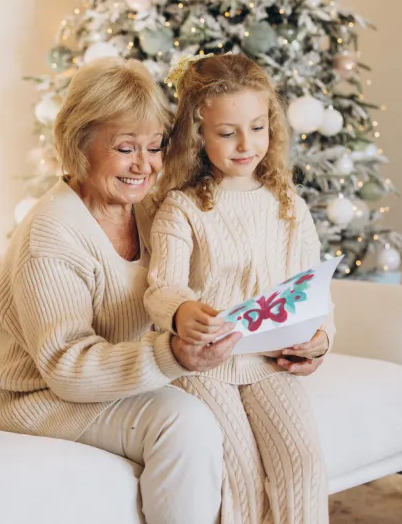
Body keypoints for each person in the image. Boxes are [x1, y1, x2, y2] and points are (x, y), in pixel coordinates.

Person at [0, 57, 242, 524]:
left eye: (154, 146)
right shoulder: (52, 233)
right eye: (124, 148)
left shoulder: (151, 210)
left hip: (114, 382)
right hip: (38, 397)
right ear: (80, 145)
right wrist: (172, 355)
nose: (144, 165)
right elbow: (67, 365)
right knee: (185, 422)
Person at [144, 53, 336, 524]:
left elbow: (315, 290)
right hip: (208, 365)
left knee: (303, 463)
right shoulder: (182, 208)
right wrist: (182, 310)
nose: (245, 144)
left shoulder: (288, 203)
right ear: (198, 135)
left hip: (272, 362)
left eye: (256, 127)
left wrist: (320, 342)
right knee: (241, 473)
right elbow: (161, 287)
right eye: (227, 133)